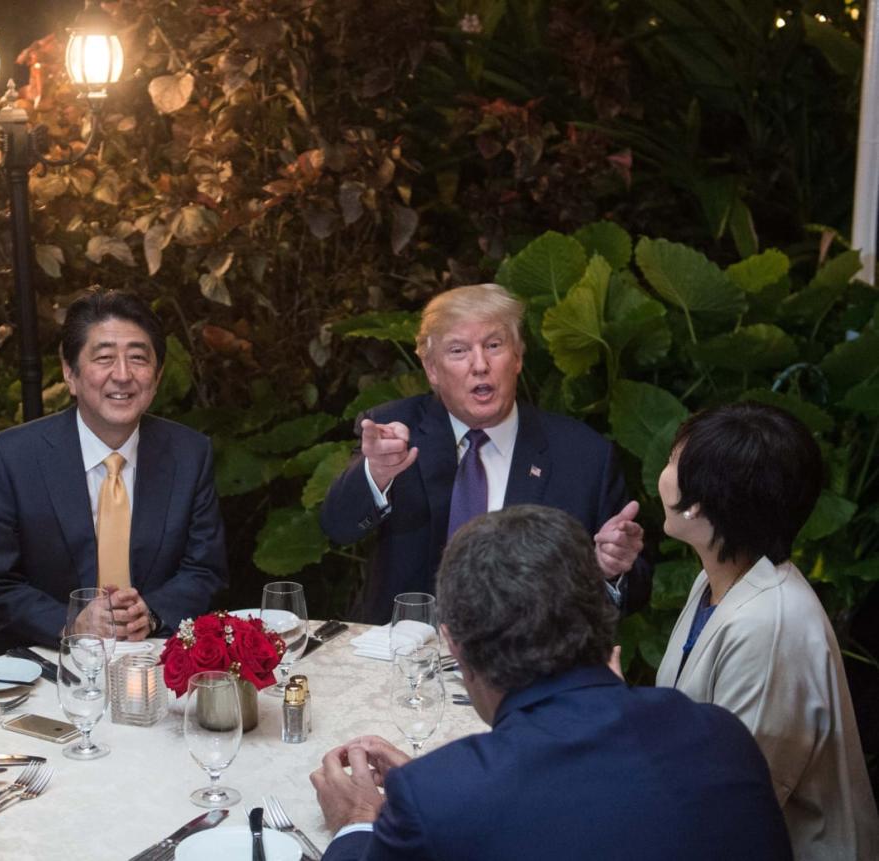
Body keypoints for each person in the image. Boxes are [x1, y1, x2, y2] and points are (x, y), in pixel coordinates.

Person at [311, 505, 792, 861]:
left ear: (453, 646)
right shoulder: (720, 735)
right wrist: (439, 786)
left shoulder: (434, 799)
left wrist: (357, 825)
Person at [320, 283, 648, 623]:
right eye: (459, 351)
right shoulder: (394, 429)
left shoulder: (582, 455)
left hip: (530, 664)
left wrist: (611, 570)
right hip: (409, 660)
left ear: (518, 357)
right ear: (432, 369)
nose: (480, 365)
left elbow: (634, 589)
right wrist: (377, 474)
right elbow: (337, 527)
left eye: (493, 345)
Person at [654, 402, 879, 859]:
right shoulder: (717, 578)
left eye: (675, 461)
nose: (665, 471)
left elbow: (734, 804)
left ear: (700, 502)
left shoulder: (768, 627)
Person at [0, 289, 228, 653]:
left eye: (138, 358)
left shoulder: (189, 453)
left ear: (157, 375)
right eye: (104, 357)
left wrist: (149, 615)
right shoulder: (12, 458)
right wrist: (71, 621)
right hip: (49, 664)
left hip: (154, 662)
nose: (122, 375)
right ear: (69, 373)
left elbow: (206, 571)